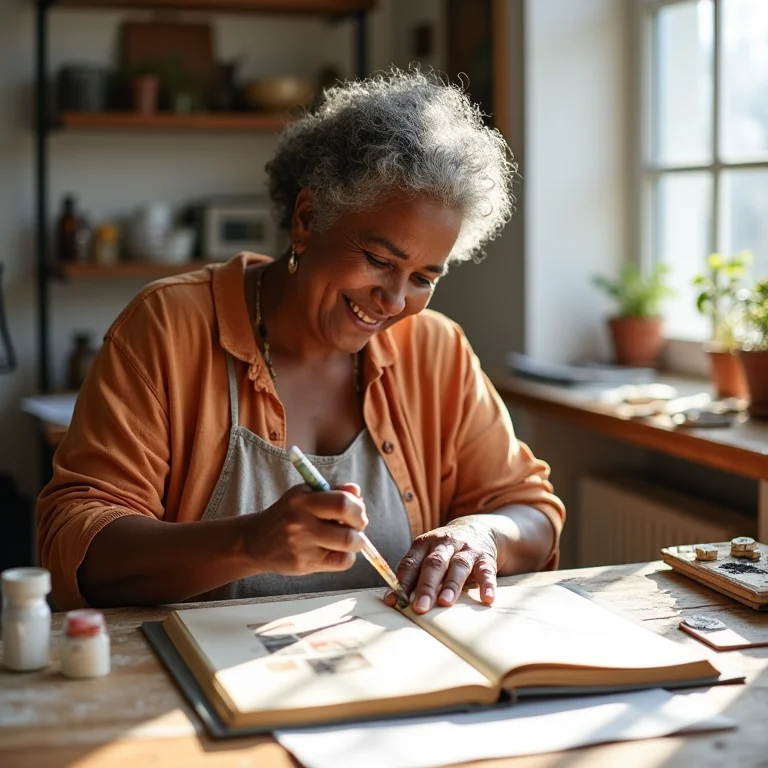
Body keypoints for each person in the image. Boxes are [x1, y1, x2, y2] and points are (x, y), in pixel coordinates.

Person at [37, 69, 565, 613]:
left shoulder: (436, 351)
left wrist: (481, 534)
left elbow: (531, 511)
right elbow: (76, 543)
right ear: (308, 219)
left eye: (423, 278)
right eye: (378, 260)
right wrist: (248, 543)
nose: (393, 300)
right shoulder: (169, 327)